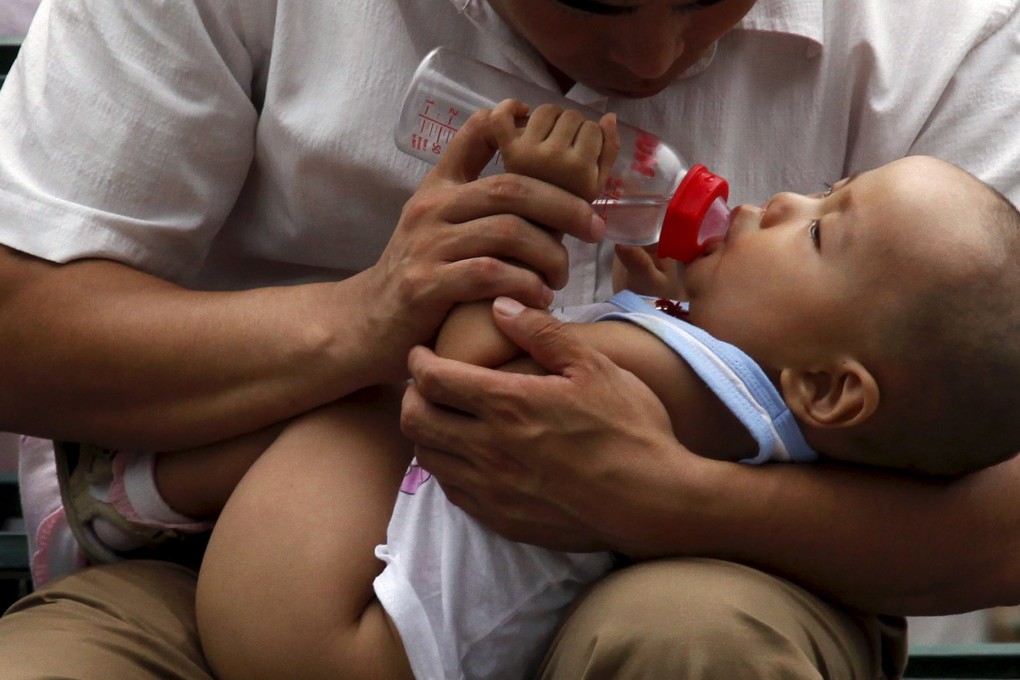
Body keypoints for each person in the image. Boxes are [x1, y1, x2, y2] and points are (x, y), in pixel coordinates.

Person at [0, 0, 1018, 678]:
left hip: (721, 574)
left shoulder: (949, 32)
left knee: (699, 640)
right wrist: (365, 315)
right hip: (262, 580)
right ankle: (163, 494)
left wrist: (670, 499)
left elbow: (482, 374)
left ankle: (151, 485)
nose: (648, 61)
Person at [192, 101, 1020, 680]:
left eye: (817, 230)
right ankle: (144, 492)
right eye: (828, 189)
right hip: (366, 622)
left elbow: (476, 383)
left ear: (832, 390)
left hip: (330, 639)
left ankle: (141, 493)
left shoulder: (694, 380)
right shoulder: (744, 411)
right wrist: (687, 300)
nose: (784, 201)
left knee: (369, 406)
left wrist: (530, 217)